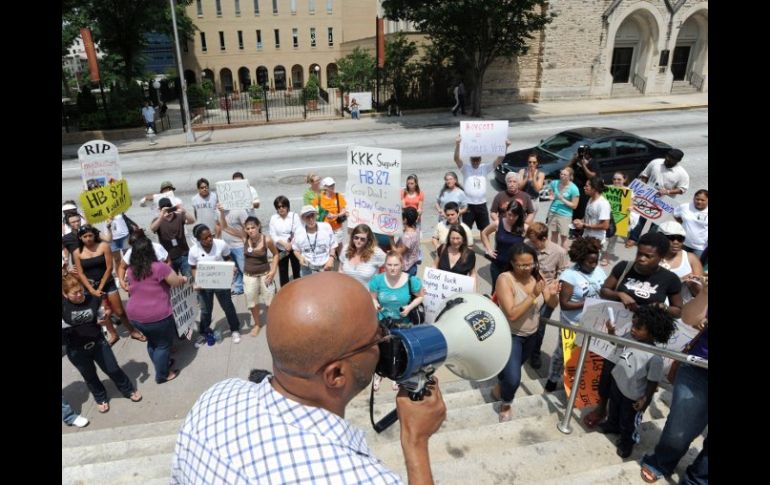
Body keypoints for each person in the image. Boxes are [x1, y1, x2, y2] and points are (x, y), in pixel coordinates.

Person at [171, 272, 446, 484]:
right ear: (336, 375)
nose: (386, 338)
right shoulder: (362, 477)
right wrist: (416, 441)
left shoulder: (218, 395)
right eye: (377, 335)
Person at [583, 232, 684, 428]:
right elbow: (604, 290)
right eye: (640, 253)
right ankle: (602, 408)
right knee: (609, 372)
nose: (641, 258)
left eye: (648, 256)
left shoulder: (670, 279)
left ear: (661, 257)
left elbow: (678, 310)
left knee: (634, 377)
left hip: (644, 340)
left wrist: (662, 307)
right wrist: (620, 294)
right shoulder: (624, 267)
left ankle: (627, 419)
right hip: (618, 333)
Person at [640, 278, 708, 484]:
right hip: (699, 369)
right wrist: (705, 293)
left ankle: (697, 480)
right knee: (678, 429)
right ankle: (662, 462)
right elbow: (688, 318)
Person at [492, 243, 559, 422]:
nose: (527, 268)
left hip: (531, 335)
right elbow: (512, 314)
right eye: (521, 265)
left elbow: (551, 304)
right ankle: (506, 404)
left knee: (511, 369)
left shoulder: (537, 275)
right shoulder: (505, 279)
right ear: (512, 263)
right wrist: (532, 295)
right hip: (511, 335)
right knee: (514, 378)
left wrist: (553, 294)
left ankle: (499, 387)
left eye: (530, 264)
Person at [599, 305, 675, 458]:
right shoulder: (630, 336)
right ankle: (612, 425)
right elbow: (616, 343)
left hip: (633, 395)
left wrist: (645, 399)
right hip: (618, 383)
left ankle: (627, 442)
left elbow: (652, 382)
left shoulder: (655, 358)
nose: (633, 329)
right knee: (613, 408)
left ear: (652, 332)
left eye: (638, 328)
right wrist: (611, 331)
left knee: (628, 421)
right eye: (633, 325)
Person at [62, 274, 142, 414]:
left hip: (98, 343)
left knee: (113, 368)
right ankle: (101, 398)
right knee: (90, 376)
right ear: (65, 294)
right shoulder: (63, 308)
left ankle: (128, 389)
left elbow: (101, 314)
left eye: (80, 290)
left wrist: (104, 318)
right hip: (76, 350)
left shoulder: (92, 299)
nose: (79, 295)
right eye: (74, 293)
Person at [543, 236, 606, 391]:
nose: (593, 265)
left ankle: (575, 384)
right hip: (572, 324)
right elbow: (565, 305)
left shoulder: (599, 271)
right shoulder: (569, 276)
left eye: (596, 261)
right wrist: (589, 303)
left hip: (594, 323)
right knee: (564, 353)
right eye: (589, 262)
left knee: (586, 356)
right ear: (580, 259)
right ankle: (553, 379)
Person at [125, 237, 188, 383]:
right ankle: (163, 375)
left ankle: (162, 364)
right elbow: (176, 282)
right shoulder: (159, 267)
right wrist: (183, 279)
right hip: (157, 315)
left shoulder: (131, 270)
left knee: (152, 343)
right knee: (163, 346)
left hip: (134, 315)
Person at [72, 224, 145, 345]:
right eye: (85, 236)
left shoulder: (103, 246)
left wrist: (100, 287)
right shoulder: (77, 252)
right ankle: (113, 334)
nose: (88, 238)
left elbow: (109, 267)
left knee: (119, 311)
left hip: (108, 283)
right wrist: (91, 290)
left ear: (94, 235)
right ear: (80, 237)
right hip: (91, 287)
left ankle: (132, 331)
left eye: (90, 235)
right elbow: (80, 273)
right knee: (103, 314)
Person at [524, 222, 571, 369]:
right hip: (527, 291)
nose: (532, 244)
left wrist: (556, 284)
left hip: (546, 295)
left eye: (534, 241)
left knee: (540, 326)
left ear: (544, 238)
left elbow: (564, 272)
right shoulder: (527, 245)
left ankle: (535, 354)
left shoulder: (559, 252)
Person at [188, 224, 243, 345]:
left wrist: (232, 266)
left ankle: (234, 329)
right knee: (206, 310)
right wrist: (197, 281)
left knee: (228, 306)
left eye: (210, 235)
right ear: (198, 240)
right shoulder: (193, 251)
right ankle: (204, 333)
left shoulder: (221, 244)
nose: (209, 239)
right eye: (205, 238)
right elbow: (193, 267)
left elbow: (228, 258)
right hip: (204, 285)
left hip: (221, 282)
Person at [626, 148, 689, 247]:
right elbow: (645, 175)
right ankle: (633, 238)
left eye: (671, 158)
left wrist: (668, 191)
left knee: (655, 225)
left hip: (663, 202)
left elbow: (682, 189)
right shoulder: (655, 163)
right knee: (640, 219)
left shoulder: (682, 174)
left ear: (678, 161)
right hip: (648, 197)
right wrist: (642, 187)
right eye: (668, 156)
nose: (668, 158)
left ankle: (647, 242)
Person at [454, 135, 510, 232]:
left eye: (477, 160)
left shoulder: (485, 167)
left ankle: (484, 242)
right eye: (473, 160)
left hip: (481, 204)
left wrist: (506, 146)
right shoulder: (465, 168)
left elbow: (499, 160)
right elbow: (456, 159)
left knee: (484, 229)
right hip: (468, 205)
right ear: (470, 159)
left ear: (480, 159)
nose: (475, 162)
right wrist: (458, 144)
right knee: (465, 230)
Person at [237, 216, 279, 336]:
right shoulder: (244, 238)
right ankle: (257, 324)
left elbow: (276, 254)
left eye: (253, 227)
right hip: (249, 276)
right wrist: (222, 213)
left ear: (258, 226)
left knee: (270, 302)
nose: (251, 230)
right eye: (248, 228)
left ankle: (271, 323)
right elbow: (225, 227)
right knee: (252, 302)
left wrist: (273, 270)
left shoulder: (267, 240)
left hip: (266, 275)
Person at [369, 251, 425, 330]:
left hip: (404, 326)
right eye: (389, 265)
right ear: (385, 265)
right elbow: (373, 298)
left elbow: (421, 296)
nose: (392, 268)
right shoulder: (377, 280)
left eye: (396, 265)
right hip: (382, 324)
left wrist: (409, 307)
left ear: (401, 265)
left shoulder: (411, 280)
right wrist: (375, 303)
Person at [481, 201, 526, 294]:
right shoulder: (498, 223)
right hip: (497, 265)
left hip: (514, 268)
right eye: (509, 214)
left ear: (519, 215)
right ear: (506, 212)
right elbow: (484, 233)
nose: (511, 218)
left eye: (515, 216)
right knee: (496, 291)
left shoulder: (524, 227)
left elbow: (534, 242)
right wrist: (489, 250)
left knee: (512, 292)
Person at [658, 221, 704, 303]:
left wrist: (692, 284)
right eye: (671, 238)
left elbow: (700, 294)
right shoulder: (652, 257)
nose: (676, 242)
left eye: (680, 239)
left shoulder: (691, 258)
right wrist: (679, 281)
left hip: (681, 308)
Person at [151, 197, 196, 277]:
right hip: (168, 258)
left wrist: (184, 211)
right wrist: (161, 216)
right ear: (160, 209)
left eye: (169, 207)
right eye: (164, 208)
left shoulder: (179, 216)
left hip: (183, 255)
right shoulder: (157, 220)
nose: (167, 210)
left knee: (189, 277)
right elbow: (153, 228)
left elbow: (192, 221)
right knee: (172, 281)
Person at [601, 172, 638, 266]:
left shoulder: (628, 191)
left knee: (612, 239)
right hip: (605, 216)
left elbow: (632, 205)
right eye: (614, 179)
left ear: (624, 180)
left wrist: (631, 208)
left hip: (618, 219)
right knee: (601, 236)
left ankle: (606, 257)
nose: (616, 181)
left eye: (619, 179)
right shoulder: (607, 188)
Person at [292, 205, 338, 276]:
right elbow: (296, 250)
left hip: (325, 266)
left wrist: (331, 259)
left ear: (316, 215)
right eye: (307, 217)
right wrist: (300, 258)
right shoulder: (298, 232)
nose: (311, 219)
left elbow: (333, 245)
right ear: (303, 218)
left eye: (312, 215)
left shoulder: (326, 227)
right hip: (307, 269)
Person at [269, 195, 301, 287]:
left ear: (287, 206)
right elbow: (273, 234)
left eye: (283, 206)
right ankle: (285, 289)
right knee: (283, 271)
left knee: (297, 269)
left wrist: (290, 244)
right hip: (281, 248)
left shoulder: (294, 216)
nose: (281, 208)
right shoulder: (274, 218)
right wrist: (283, 244)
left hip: (294, 248)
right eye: (278, 207)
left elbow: (298, 231)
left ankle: (298, 287)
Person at [545, 167, 581, 248]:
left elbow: (574, 206)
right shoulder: (554, 183)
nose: (562, 176)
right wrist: (551, 196)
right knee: (553, 234)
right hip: (553, 212)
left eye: (565, 175)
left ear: (570, 176)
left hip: (565, 215)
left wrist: (562, 199)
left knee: (564, 238)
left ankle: (563, 254)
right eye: (561, 174)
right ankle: (554, 253)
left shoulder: (574, 188)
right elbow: (551, 193)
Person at [573, 175, 612, 249]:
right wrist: (580, 221)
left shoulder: (603, 204)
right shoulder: (590, 199)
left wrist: (585, 225)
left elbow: (605, 225)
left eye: (587, 186)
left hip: (596, 240)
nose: (584, 188)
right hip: (586, 237)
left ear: (594, 188)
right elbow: (589, 216)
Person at [316, 177, 348, 257]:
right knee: (327, 245)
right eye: (330, 185)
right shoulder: (319, 198)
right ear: (325, 187)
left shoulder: (338, 196)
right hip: (324, 228)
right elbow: (315, 212)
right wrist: (323, 215)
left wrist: (335, 215)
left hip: (337, 227)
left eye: (333, 185)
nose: (332, 187)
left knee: (338, 244)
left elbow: (344, 210)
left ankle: (341, 261)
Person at [567, 145, 601, 221]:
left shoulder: (593, 162)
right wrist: (572, 161)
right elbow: (564, 170)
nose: (582, 155)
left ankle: (581, 225)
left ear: (588, 154)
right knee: (574, 210)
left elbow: (592, 176)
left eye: (584, 153)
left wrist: (583, 165)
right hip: (574, 190)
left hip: (584, 191)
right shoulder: (576, 162)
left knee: (582, 211)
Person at [673, 189, 708, 258]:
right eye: (697, 199)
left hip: (699, 248)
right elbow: (675, 214)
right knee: (677, 261)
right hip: (682, 243)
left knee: (692, 264)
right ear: (693, 198)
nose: (699, 202)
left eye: (702, 200)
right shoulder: (685, 207)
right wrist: (682, 222)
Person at [390, 207, 422, 277]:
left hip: (406, 269)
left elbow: (397, 252)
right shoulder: (416, 229)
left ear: (405, 220)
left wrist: (391, 239)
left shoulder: (407, 236)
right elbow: (418, 220)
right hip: (413, 265)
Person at [517, 152, 546, 218]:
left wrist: (534, 177)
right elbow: (519, 188)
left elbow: (538, 189)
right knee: (519, 219)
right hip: (522, 200)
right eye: (529, 162)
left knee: (529, 221)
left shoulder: (541, 174)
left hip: (533, 201)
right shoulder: (522, 171)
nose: (531, 164)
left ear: (537, 163)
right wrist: (526, 178)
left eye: (534, 162)